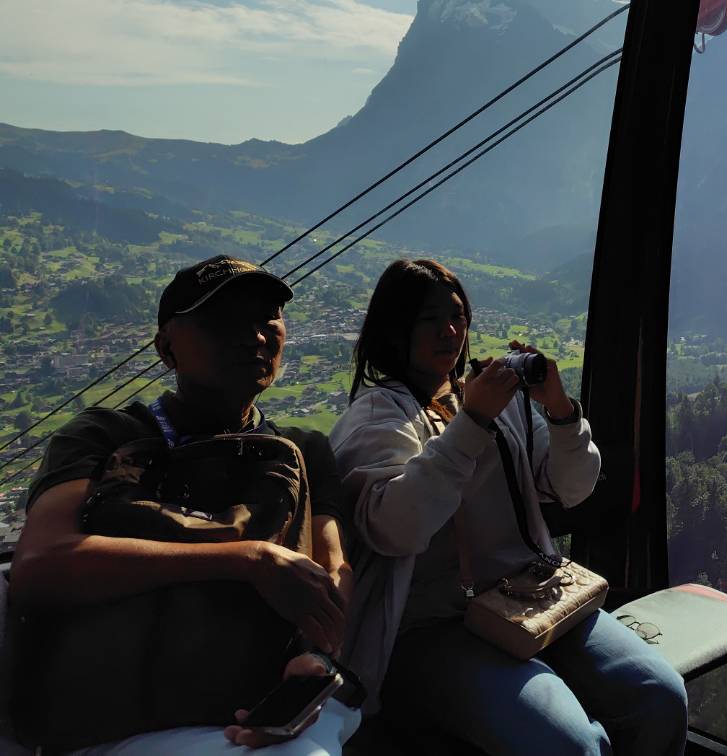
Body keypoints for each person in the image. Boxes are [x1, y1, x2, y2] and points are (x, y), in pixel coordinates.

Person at [330, 258, 687, 755]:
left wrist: (559, 411)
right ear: (395, 329)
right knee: (571, 747)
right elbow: (395, 529)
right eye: (430, 319)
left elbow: (571, 487)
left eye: (457, 316)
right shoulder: (377, 415)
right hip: (433, 627)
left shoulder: (485, 398)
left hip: (528, 596)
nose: (449, 331)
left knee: (662, 698)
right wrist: (471, 423)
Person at [10, 254, 357, 754]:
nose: (255, 336)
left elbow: (333, 572)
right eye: (225, 321)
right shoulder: (103, 436)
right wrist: (245, 560)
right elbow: (40, 565)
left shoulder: (306, 450)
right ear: (166, 347)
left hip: (254, 711)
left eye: (268, 317)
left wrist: (317, 662)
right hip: (113, 725)